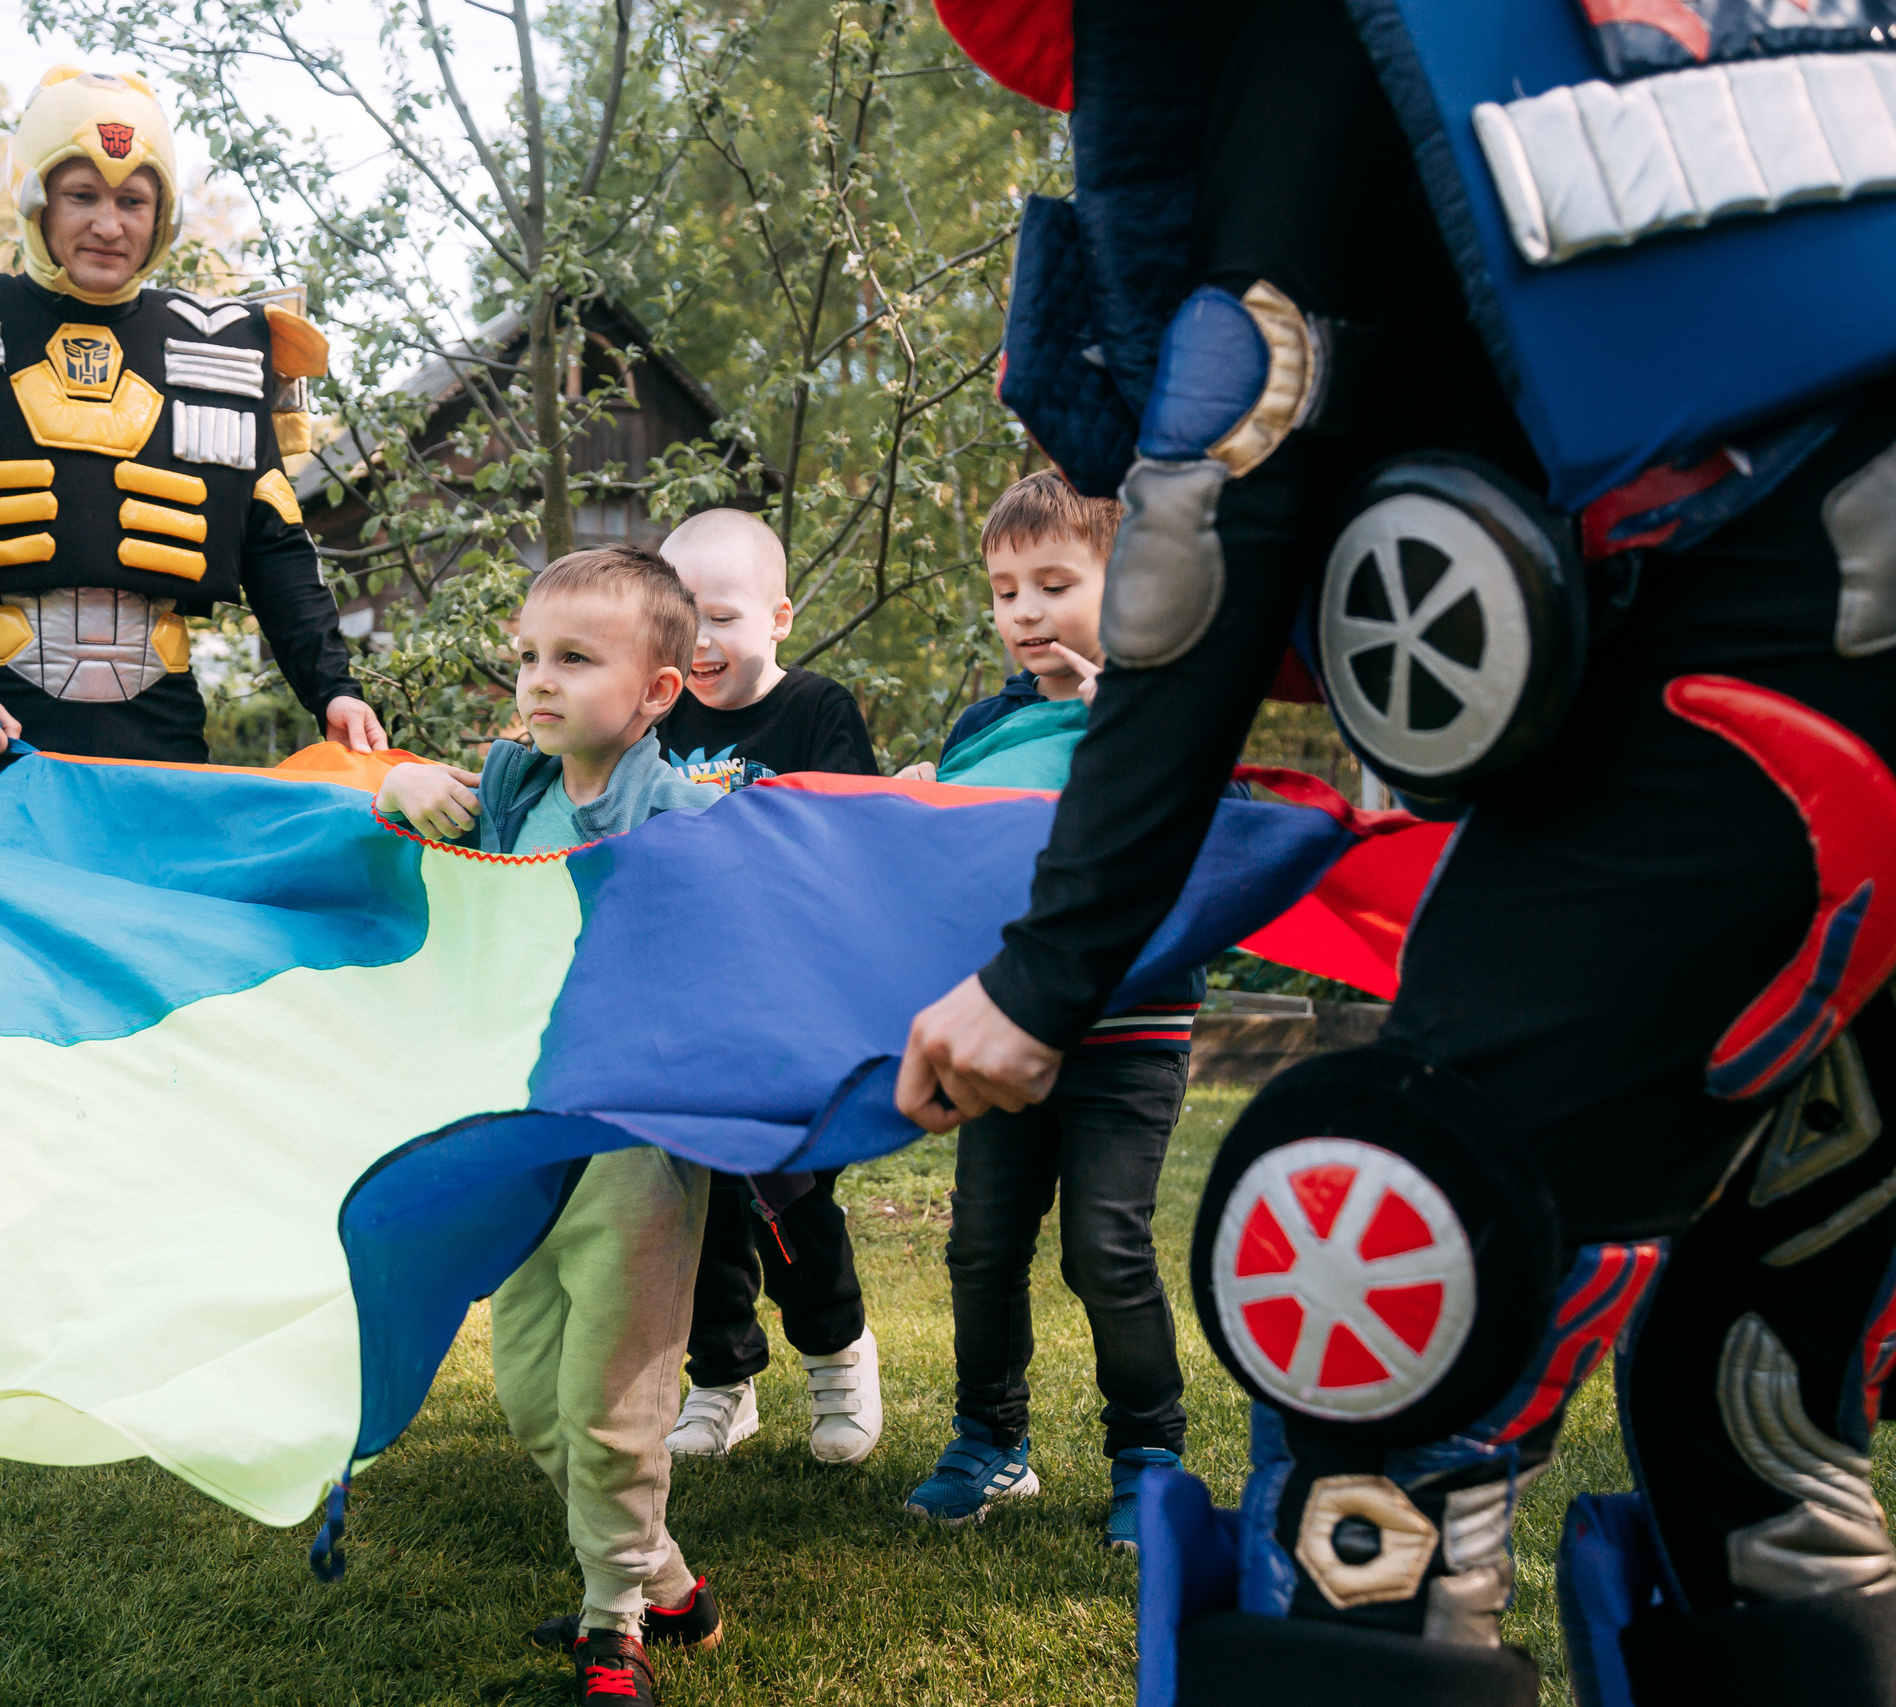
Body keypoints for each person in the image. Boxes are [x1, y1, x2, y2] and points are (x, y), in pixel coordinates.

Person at [907, 0, 1896, 1698]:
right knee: (1770, 1387)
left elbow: (1230, 464)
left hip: (1790, 673)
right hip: (1795, 643)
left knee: (1387, 1295)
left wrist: (1052, 967)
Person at [0, 65, 382, 784]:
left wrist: (334, 690)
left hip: (164, 741)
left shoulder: (220, 352)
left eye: (133, 199)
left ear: (164, 213)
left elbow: (277, 548)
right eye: (82, 195)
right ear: (36, 198)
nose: (109, 224)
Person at [377, 547, 723, 1706]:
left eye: (575, 660)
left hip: (630, 1146)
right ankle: (666, 1582)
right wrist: (401, 782)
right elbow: (401, 810)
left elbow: (756, 870)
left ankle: (610, 1623)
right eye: (528, 655)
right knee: (532, 1403)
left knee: (616, 1412)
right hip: (519, 1145)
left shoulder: (672, 808)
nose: (539, 680)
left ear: (656, 694)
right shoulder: (516, 787)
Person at [892, 474, 1201, 1548]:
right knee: (980, 1245)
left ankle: (1148, 1456)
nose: (1024, 612)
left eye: (1054, 585)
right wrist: (917, 801)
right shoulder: (988, 727)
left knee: (1103, 1249)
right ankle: (990, 1441)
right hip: (1008, 1033)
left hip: (1131, 1032)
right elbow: (958, 864)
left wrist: (1110, 709)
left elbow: (1229, 834)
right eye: (1003, 590)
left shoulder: (1168, 710)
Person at [648, 507, 884, 1469]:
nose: (701, 642)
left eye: (724, 617)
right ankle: (720, 1378)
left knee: (787, 1192)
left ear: (779, 617)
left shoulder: (818, 710)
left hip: (790, 1008)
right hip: (679, 1006)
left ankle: (837, 1350)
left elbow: (853, 839)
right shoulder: (652, 715)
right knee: (691, 1203)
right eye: (682, 618)